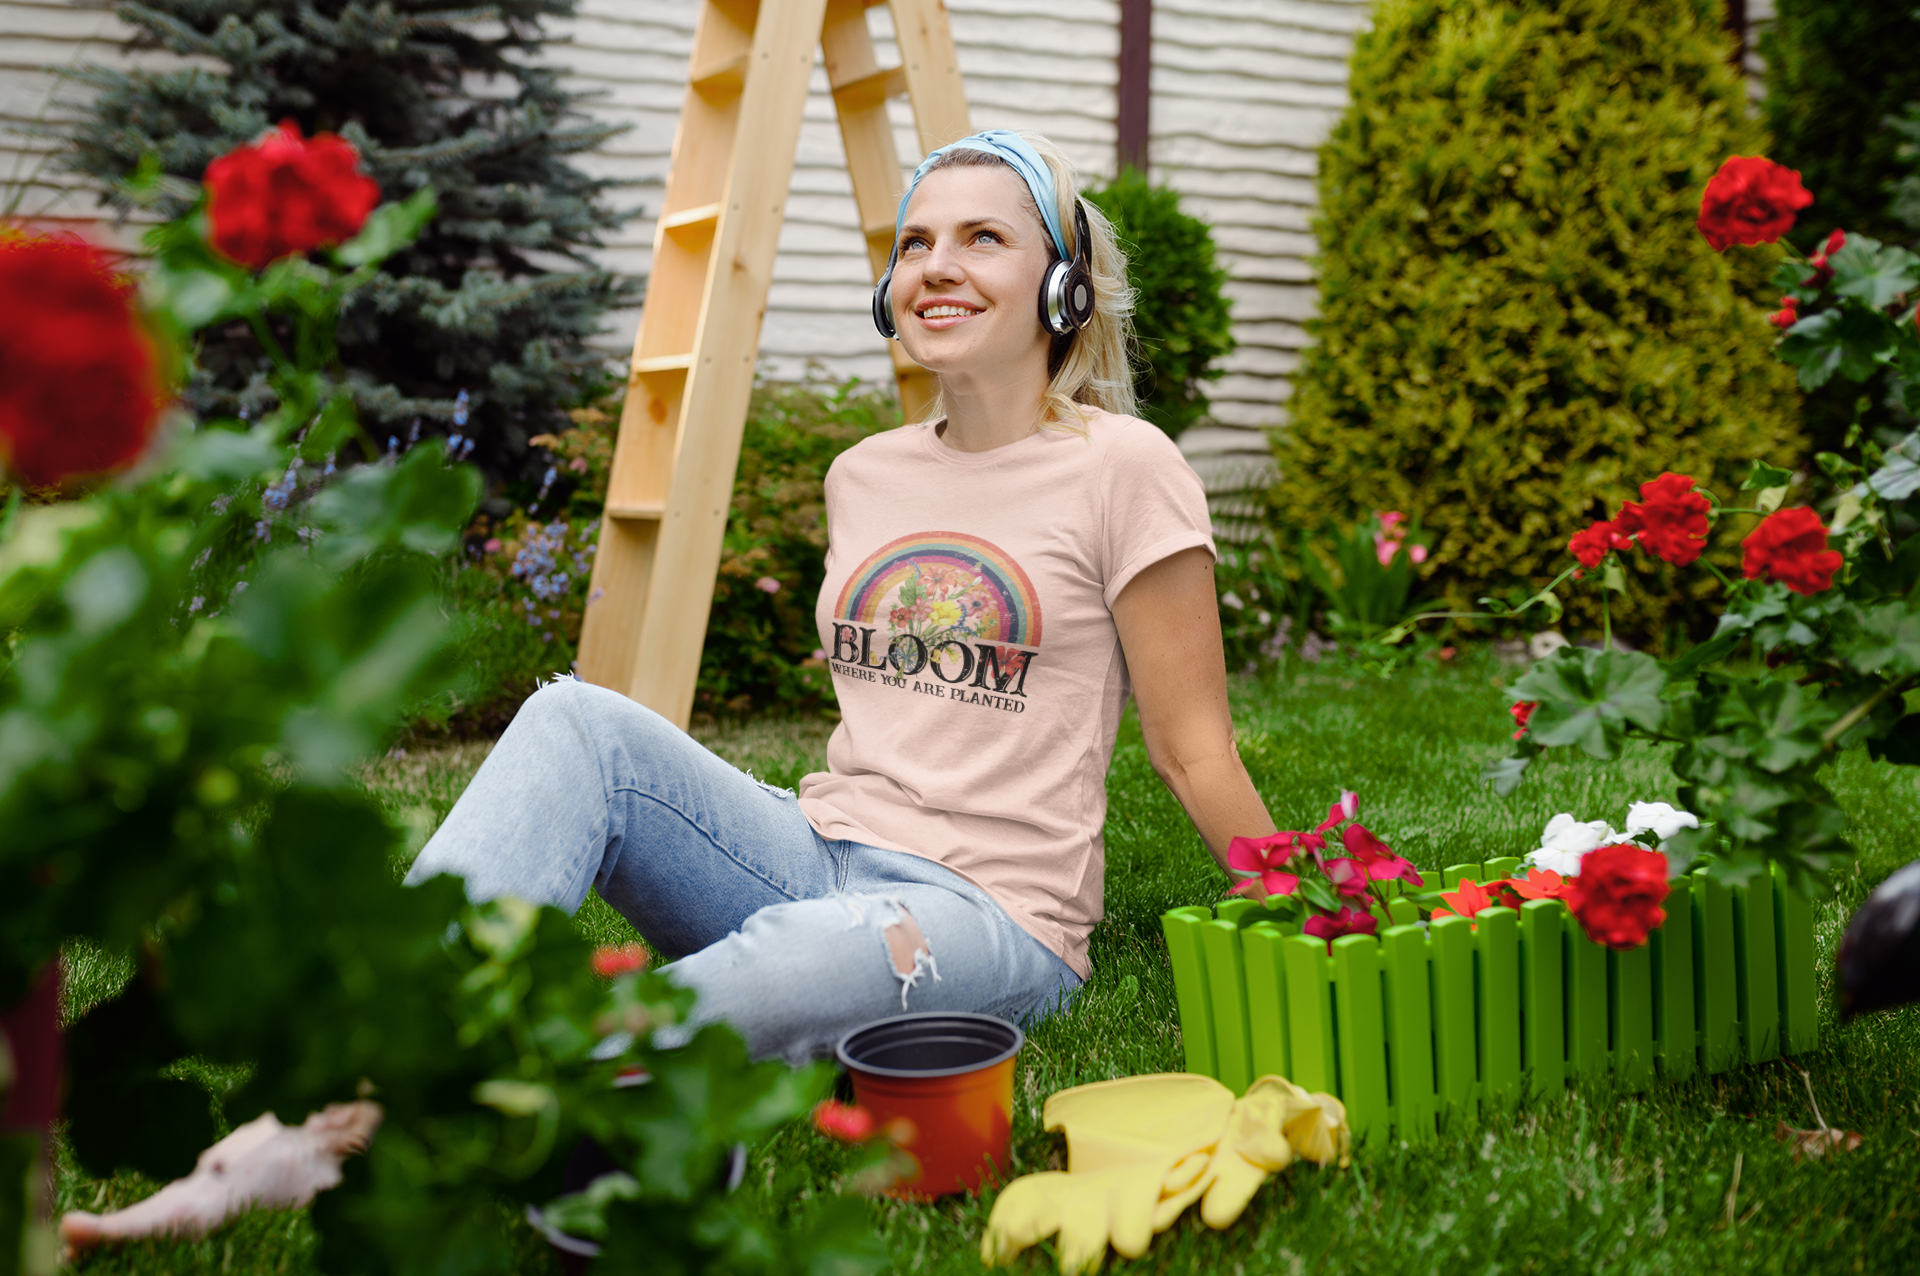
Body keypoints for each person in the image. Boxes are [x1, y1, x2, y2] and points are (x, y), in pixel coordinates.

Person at [417, 128, 1280, 1063]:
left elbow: (1193, 748)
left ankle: (484, 1078)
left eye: (983, 239)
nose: (937, 268)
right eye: (916, 244)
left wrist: (1308, 905)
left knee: (809, 958)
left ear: (1062, 286)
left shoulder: (1123, 466)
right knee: (574, 723)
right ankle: (391, 1037)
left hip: (984, 915)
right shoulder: (863, 475)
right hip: (813, 851)